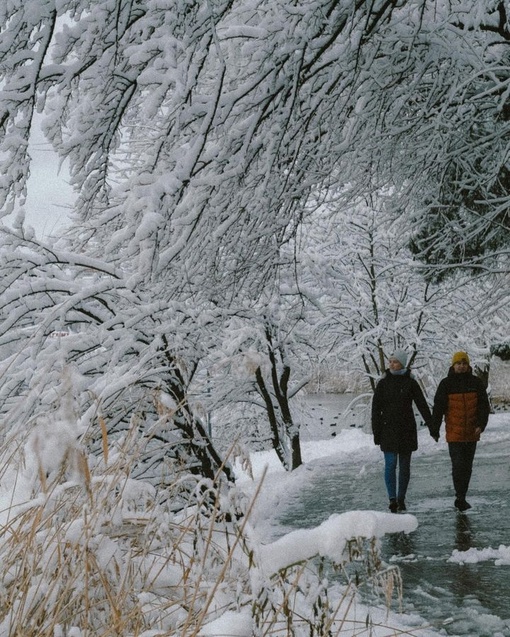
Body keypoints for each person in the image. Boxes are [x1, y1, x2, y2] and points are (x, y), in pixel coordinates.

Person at [372, 350, 433, 513]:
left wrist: (432, 425)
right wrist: (376, 432)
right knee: (390, 464)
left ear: (402, 364)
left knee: (405, 466)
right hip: (388, 430)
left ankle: (401, 498)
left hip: (406, 430)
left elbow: (421, 404)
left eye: (395, 362)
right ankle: (392, 499)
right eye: (390, 361)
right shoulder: (383, 384)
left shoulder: (410, 383)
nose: (391, 364)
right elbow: (375, 409)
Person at [430, 351, 490, 512]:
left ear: (468, 365)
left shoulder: (476, 383)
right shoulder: (446, 384)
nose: (461, 366)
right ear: (453, 365)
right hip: (454, 432)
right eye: (458, 364)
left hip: (472, 432)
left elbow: (484, 406)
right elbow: (438, 408)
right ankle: (459, 496)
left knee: (467, 466)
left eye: (464, 363)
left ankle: (462, 494)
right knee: (458, 465)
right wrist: (434, 429)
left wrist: (481, 424)